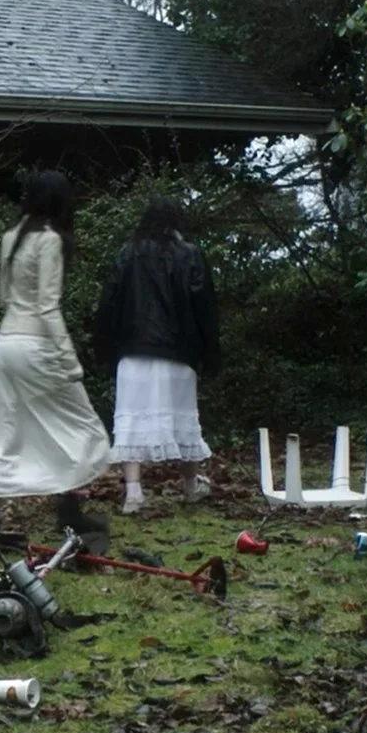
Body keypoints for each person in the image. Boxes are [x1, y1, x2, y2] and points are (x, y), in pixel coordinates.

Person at [0, 170, 110, 543]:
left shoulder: (10, 237)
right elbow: (48, 307)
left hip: (6, 343)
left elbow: (4, 297)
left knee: (7, 432)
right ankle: (70, 513)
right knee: (87, 430)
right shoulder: (49, 241)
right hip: (36, 345)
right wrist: (70, 362)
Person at [94, 196, 220, 514]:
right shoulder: (190, 255)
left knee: (131, 422)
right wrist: (210, 350)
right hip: (179, 351)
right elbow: (205, 307)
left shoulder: (127, 255)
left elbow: (109, 303)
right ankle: (190, 487)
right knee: (186, 420)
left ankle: (134, 494)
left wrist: (105, 348)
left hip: (134, 350)